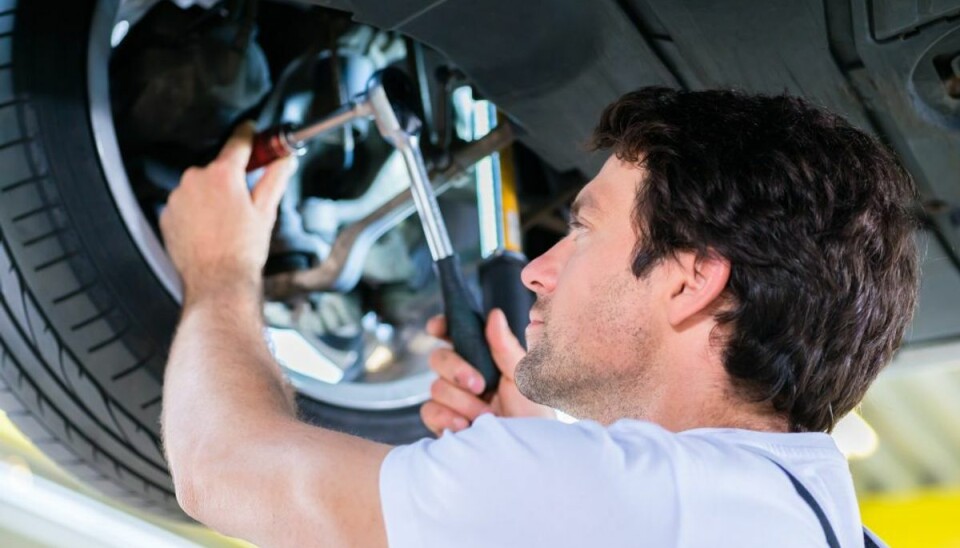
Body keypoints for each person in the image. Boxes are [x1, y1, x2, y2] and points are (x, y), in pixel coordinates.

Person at [159, 87, 918, 547]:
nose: (537, 269)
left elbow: (217, 468)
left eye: (583, 229)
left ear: (690, 283)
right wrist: (523, 459)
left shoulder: (633, 507)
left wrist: (219, 267)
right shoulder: (813, 524)